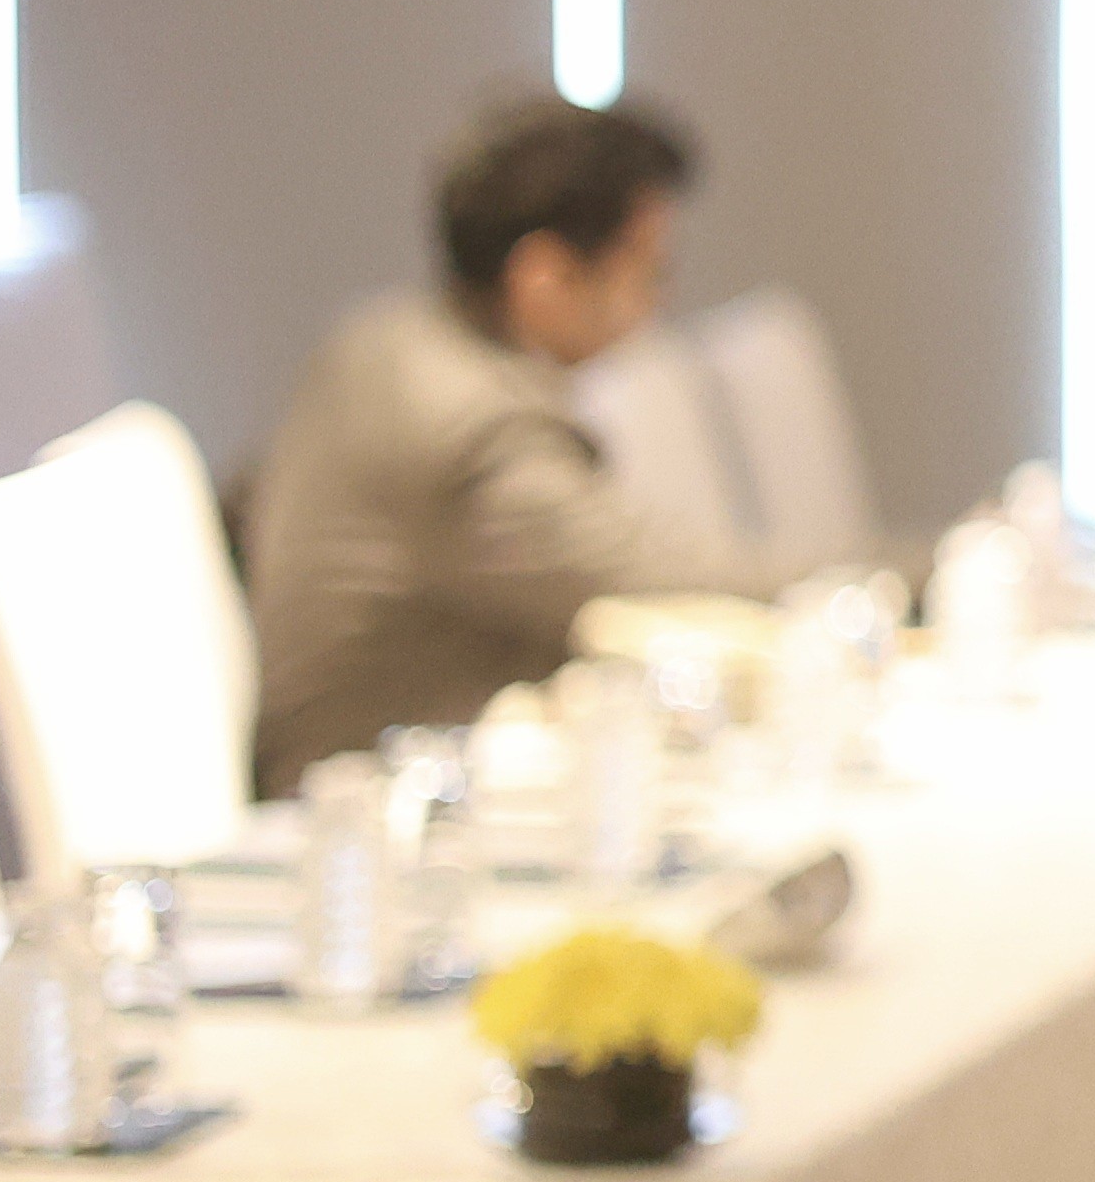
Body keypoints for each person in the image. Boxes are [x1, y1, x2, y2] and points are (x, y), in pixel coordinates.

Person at [243, 90, 762, 783]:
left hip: (394, 771)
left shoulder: (387, 336)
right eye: (648, 270)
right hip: (378, 798)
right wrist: (913, 570)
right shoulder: (470, 426)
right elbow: (660, 583)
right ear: (545, 277)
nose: (657, 303)